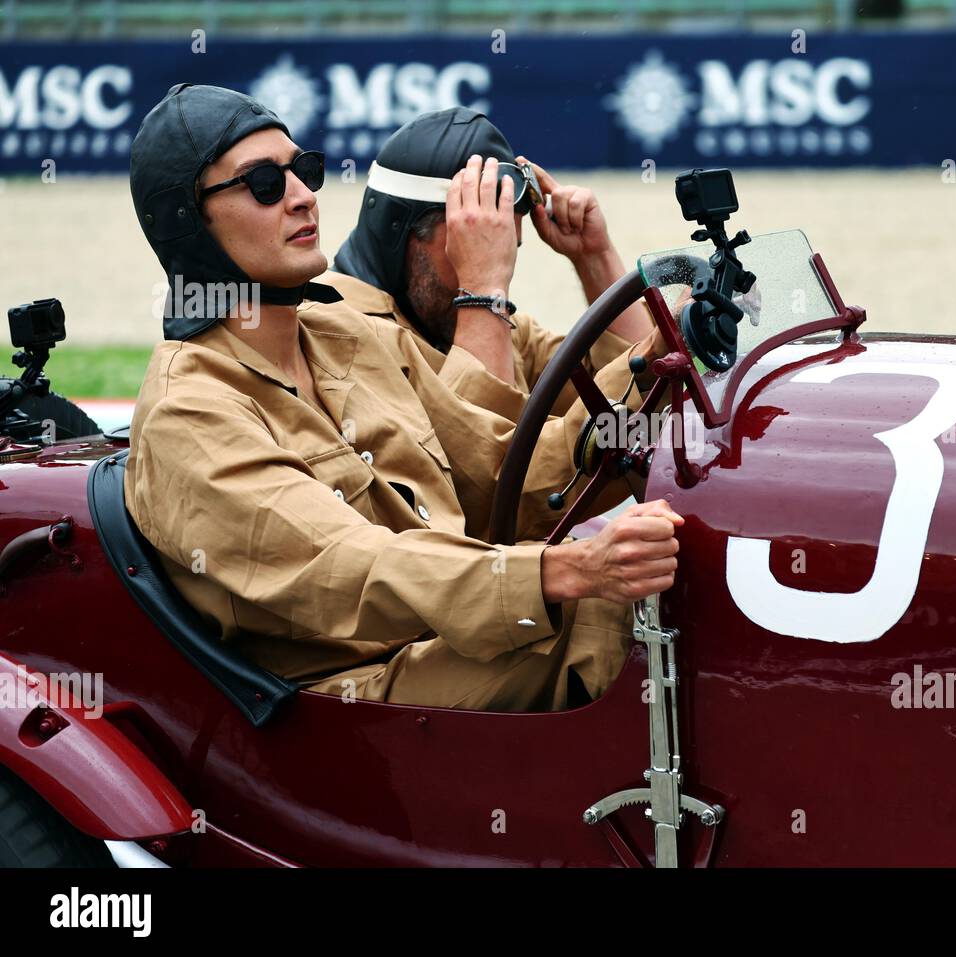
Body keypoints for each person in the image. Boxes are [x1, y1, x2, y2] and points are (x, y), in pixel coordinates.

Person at [124, 83, 680, 711]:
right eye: (264, 184)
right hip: (346, 697)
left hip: (445, 643)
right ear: (188, 221)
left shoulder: (341, 333)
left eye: (303, 171)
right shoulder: (191, 409)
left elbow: (504, 472)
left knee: (683, 586)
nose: (305, 196)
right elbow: (355, 566)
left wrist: (661, 352)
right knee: (618, 622)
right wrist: (565, 571)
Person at [327, 108, 653, 420]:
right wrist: (481, 289)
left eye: (500, 259)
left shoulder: (489, 328)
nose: (492, 277)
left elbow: (644, 395)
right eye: (471, 256)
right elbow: (490, 466)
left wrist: (594, 257)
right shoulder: (336, 333)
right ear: (397, 234)